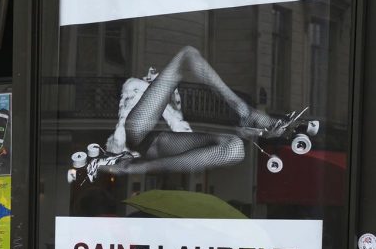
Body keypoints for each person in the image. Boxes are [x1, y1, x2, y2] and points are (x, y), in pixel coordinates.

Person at [81, 45, 316, 178]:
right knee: (187, 55)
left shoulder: (172, 102)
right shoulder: (135, 86)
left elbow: (197, 131)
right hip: (138, 132)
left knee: (235, 150)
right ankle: (245, 111)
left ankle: (250, 119)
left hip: (157, 143)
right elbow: (125, 113)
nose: (154, 74)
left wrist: (254, 134)